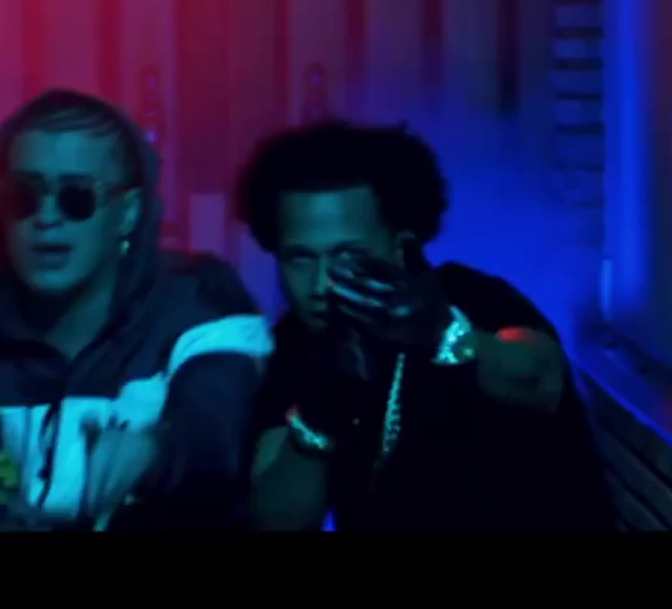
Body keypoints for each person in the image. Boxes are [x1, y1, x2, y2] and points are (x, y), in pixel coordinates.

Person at [0, 89, 272, 531]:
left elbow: (215, 446)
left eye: (76, 197)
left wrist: (156, 451)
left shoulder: (199, 301)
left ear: (127, 213)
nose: (46, 217)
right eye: (24, 195)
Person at [236, 119, 615, 531]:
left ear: (401, 247)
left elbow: (541, 377)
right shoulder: (296, 340)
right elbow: (276, 518)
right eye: (301, 259)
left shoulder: (472, 298)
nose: (320, 285)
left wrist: (443, 335)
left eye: (347, 255)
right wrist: (320, 416)